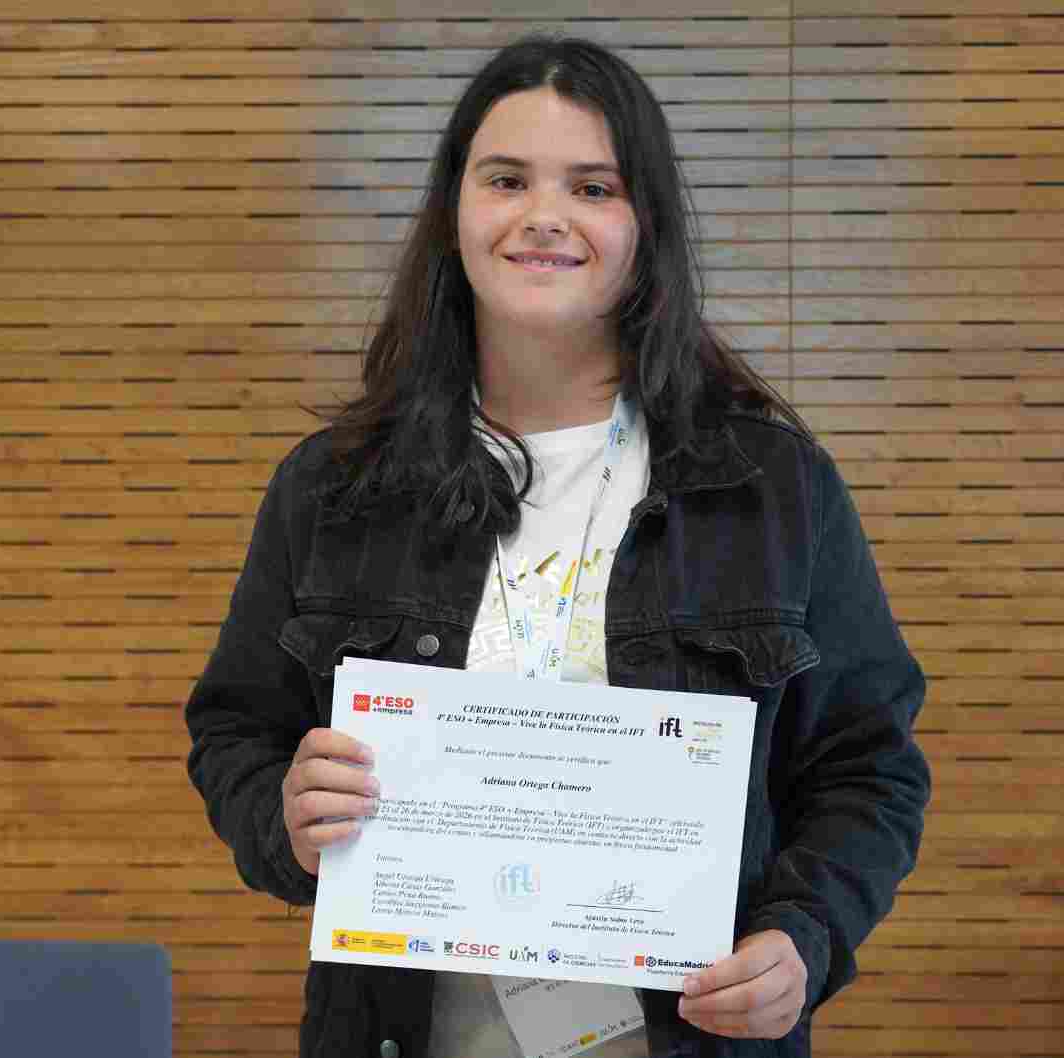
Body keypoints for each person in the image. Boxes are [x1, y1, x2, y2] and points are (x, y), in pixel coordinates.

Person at [185, 34, 930, 1058]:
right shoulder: (335, 487)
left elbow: (867, 767)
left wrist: (804, 939)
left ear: (643, 224)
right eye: (506, 180)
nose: (544, 215)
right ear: (454, 212)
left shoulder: (771, 488)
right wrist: (286, 819)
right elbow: (235, 730)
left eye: (591, 187)